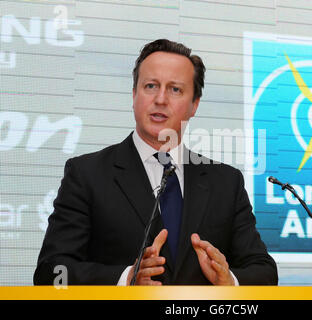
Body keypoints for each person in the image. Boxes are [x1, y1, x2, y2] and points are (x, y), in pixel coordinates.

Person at [33, 39, 278, 285]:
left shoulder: (226, 182)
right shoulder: (87, 174)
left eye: (175, 89)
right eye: (150, 86)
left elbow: (265, 273)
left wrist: (230, 281)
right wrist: (125, 279)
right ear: (134, 95)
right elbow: (50, 273)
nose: (160, 99)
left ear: (195, 105)